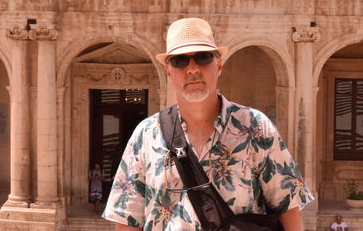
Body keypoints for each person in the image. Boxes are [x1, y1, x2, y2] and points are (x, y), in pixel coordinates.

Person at [103, 18, 314, 230]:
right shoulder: (146, 135)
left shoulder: (256, 128)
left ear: (219, 65)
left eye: (203, 57)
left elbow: (288, 207)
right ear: (168, 71)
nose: (192, 69)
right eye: (180, 61)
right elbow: (127, 219)